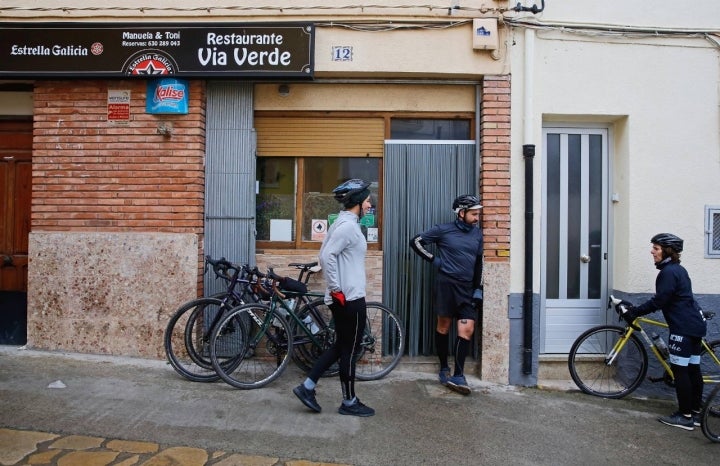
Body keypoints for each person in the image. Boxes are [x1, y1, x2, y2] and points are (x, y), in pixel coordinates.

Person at [292, 179, 375, 417]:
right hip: (349, 298)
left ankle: (307, 386)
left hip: (345, 297)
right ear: (358, 202)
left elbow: (325, 254)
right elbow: (327, 256)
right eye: (367, 200)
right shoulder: (348, 227)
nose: (370, 204)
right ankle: (349, 402)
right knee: (350, 349)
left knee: (341, 346)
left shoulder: (343, 223)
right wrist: (337, 289)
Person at [621, 233, 707, 430]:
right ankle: (694, 413)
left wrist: (634, 312)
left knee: (681, 372)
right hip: (695, 326)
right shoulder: (679, 270)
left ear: (667, 251)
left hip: (682, 328)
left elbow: (660, 300)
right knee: (693, 370)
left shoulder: (667, 273)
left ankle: (684, 416)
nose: (652, 251)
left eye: (656, 248)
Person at [409, 194, 484, 395]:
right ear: (461, 213)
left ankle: (459, 375)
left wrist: (478, 288)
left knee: (467, 328)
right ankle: (444, 366)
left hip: (467, 288)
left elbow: (479, 263)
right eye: (474, 214)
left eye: (478, 214)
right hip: (446, 285)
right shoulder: (443, 230)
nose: (477, 218)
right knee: (443, 326)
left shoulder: (477, 234)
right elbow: (415, 242)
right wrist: (434, 260)